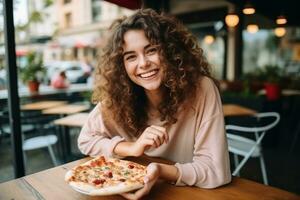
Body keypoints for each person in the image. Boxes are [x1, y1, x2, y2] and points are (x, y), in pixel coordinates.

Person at [78, 9, 231, 199]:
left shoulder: (201, 89)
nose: (143, 63)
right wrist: (131, 147)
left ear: (170, 51)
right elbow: (86, 140)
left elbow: (216, 172)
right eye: (131, 56)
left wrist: (160, 170)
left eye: (151, 50)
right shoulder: (117, 98)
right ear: (121, 66)